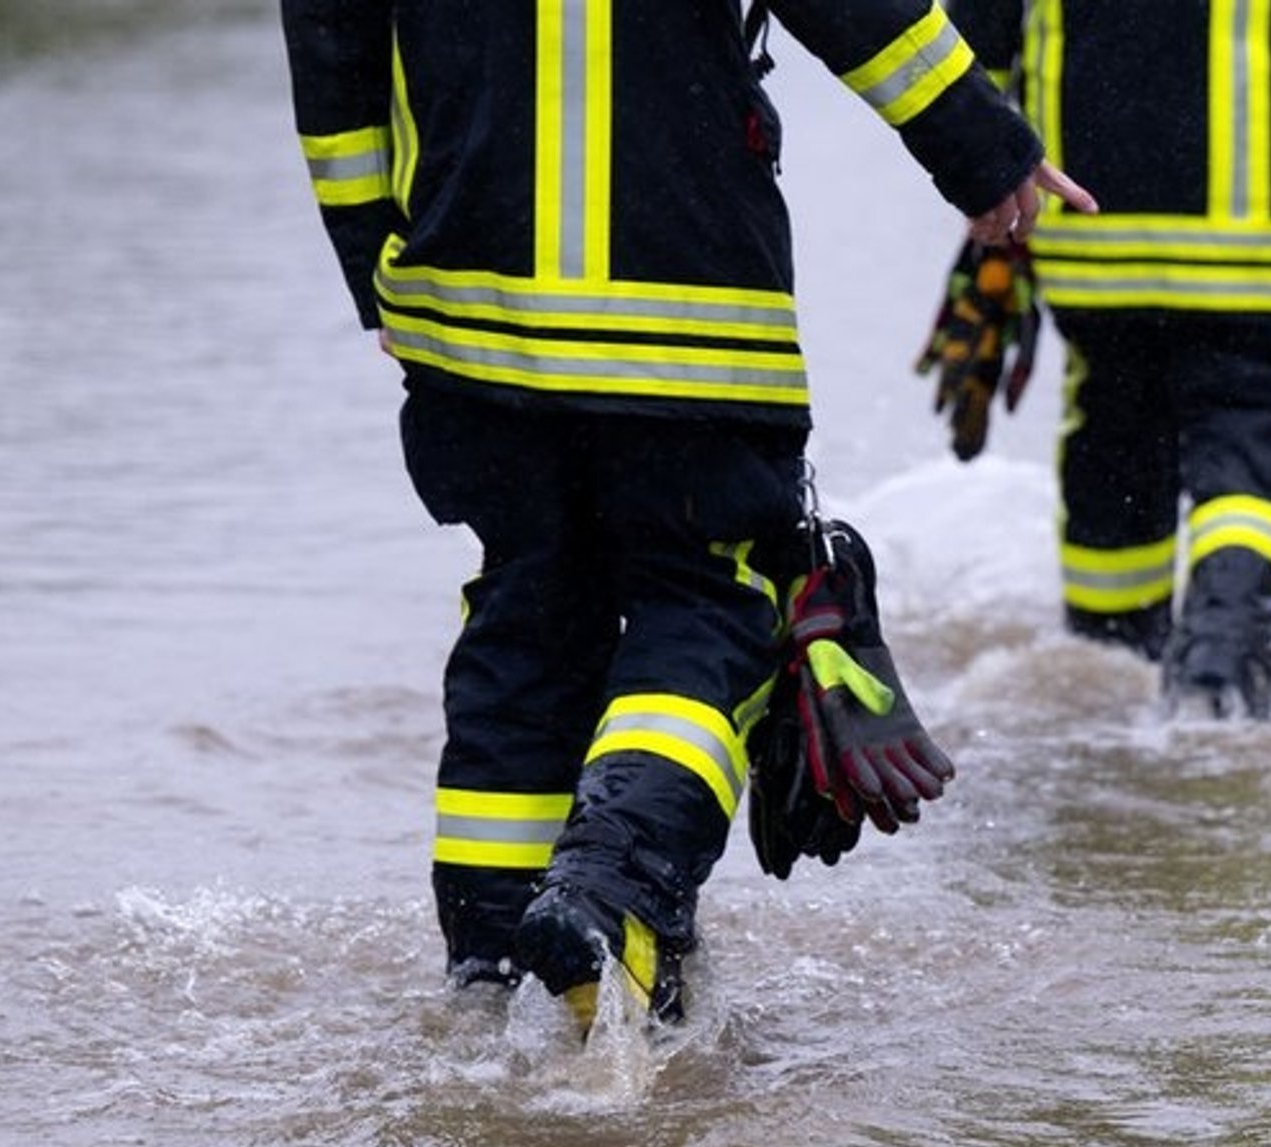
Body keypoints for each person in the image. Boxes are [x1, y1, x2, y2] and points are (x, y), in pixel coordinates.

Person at [279, 0, 1094, 1022]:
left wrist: (375, 267)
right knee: (713, 607)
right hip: (691, 314)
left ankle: (488, 967)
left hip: (465, 315)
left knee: (525, 621)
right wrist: (982, 147)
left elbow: (330, 50)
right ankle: (608, 894)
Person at [928, 0, 1271, 719]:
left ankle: (1103, 688)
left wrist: (983, 162)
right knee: (1243, 456)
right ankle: (1218, 692)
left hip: (1091, 224)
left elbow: (981, 32)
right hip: (1260, 242)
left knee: (1111, 443)